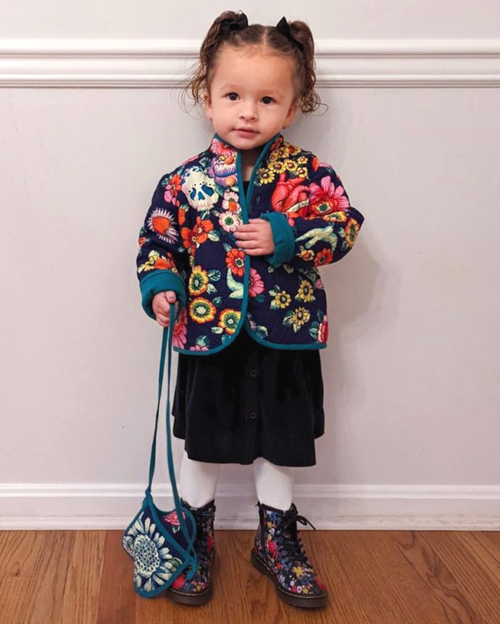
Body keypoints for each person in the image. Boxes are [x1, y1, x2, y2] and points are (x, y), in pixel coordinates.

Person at [135, 10, 365, 609]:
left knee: (282, 442)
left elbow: (344, 227)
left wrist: (287, 234)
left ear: (291, 110)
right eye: (233, 95)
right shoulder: (182, 183)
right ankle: (193, 534)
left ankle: (276, 537)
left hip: (286, 339)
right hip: (209, 338)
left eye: (266, 100)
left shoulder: (310, 177)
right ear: (206, 97)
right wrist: (161, 285)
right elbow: (157, 241)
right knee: (203, 442)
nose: (247, 112)